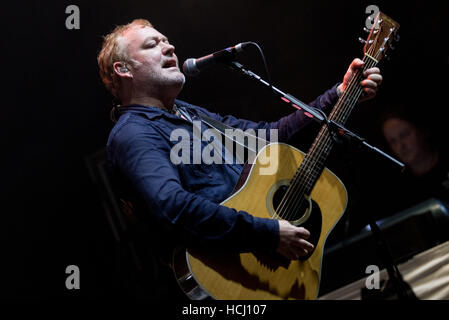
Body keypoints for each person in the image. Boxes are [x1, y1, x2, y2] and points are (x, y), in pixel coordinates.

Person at [97, 19, 382, 297]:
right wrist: (266, 233)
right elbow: (174, 206)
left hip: (256, 270)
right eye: (152, 45)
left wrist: (338, 94)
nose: (169, 48)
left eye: (167, 41)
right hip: (222, 279)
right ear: (123, 69)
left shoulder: (190, 113)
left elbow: (269, 137)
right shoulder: (134, 133)